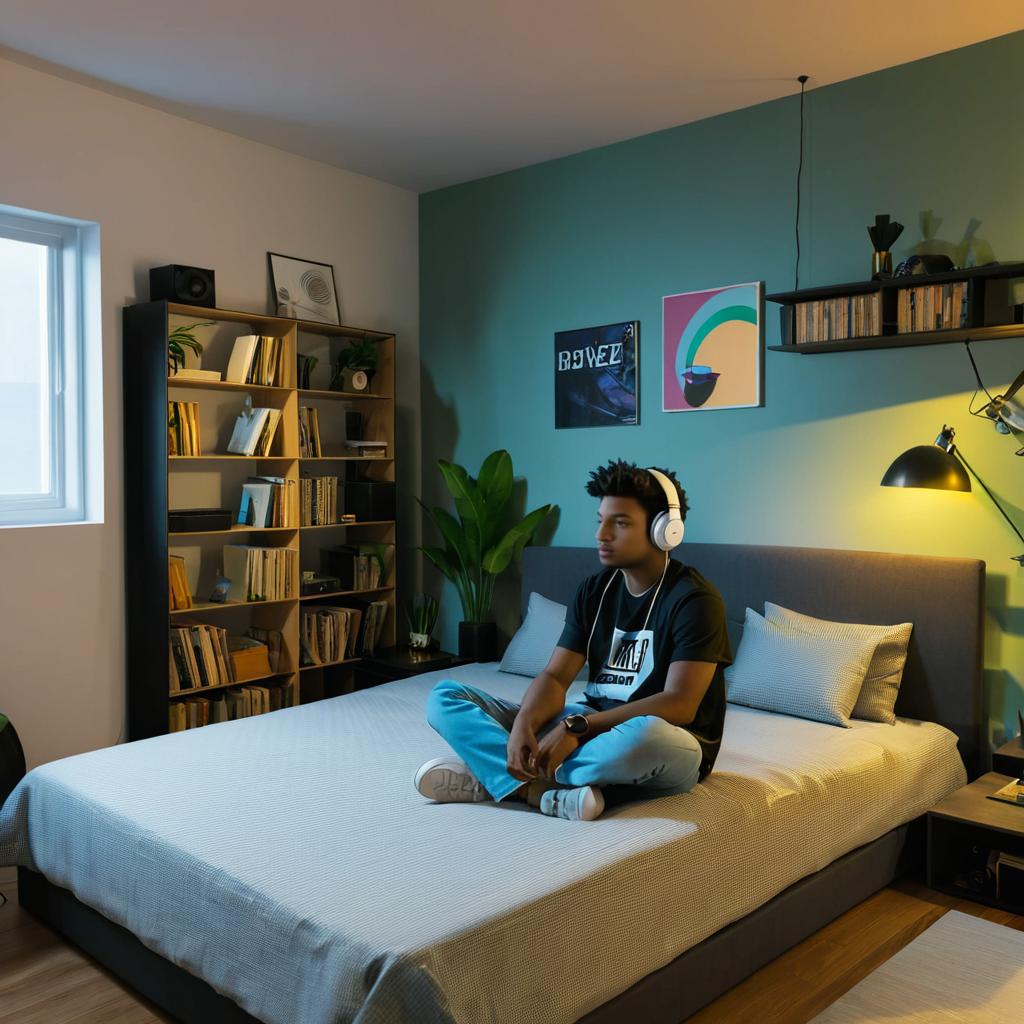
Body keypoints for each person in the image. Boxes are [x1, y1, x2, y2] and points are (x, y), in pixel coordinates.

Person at [413, 458, 733, 821]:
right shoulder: (594, 591)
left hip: (665, 742)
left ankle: (493, 777)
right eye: (601, 521)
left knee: (647, 736)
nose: (602, 534)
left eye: (621, 523)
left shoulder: (695, 600)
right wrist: (525, 725)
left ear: (665, 530)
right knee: (445, 697)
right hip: (584, 722)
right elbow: (555, 677)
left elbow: (680, 704)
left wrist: (575, 729)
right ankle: (534, 789)